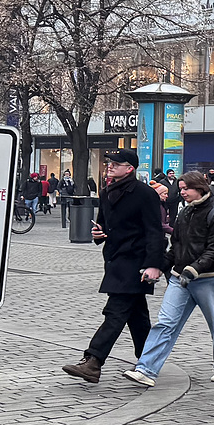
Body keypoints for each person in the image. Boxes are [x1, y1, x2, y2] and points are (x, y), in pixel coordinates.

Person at [62, 149, 166, 384]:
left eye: (116, 163)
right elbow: (104, 226)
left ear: (130, 168)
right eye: (110, 162)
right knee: (137, 316)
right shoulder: (108, 190)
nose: (110, 166)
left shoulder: (144, 193)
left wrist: (153, 265)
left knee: (115, 312)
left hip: (136, 262)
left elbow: (154, 231)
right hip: (115, 259)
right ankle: (148, 360)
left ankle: (93, 361)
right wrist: (98, 233)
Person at [126, 171, 214, 385]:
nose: (183, 192)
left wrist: (193, 269)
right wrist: (159, 267)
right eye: (181, 188)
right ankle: (146, 369)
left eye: (187, 188)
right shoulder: (184, 213)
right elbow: (175, 247)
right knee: (165, 323)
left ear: (200, 188)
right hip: (180, 278)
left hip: (208, 278)